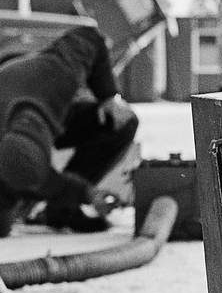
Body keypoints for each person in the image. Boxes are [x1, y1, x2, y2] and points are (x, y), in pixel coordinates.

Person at [0, 26, 138, 236]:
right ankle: (21, 196)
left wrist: (109, 96)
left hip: (55, 104)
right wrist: (88, 194)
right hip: (15, 126)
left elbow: (90, 36)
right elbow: (46, 180)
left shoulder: (57, 70)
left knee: (121, 121)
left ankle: (62, 210)